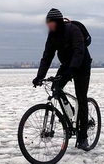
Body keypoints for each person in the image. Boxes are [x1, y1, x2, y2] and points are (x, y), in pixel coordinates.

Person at [32, 8, 92, 150]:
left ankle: (83, 137)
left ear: (58, 22)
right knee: (56, 87)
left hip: (81, 66)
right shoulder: (52, 35)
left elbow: (79, 51)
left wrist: (72, 70)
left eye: (51, 23)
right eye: (47, 23)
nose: (48, 26)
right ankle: (70, 113)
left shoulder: (73, 30)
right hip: (67, 65)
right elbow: (47, 55)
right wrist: (39, 76)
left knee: (81, 96)